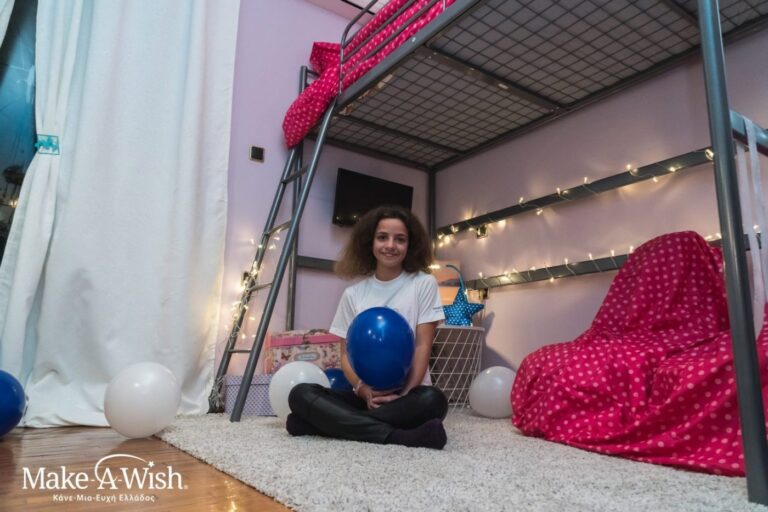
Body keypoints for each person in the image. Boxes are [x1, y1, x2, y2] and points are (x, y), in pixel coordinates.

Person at [286, 205, 448, 449]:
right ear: (369, 242)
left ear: (410, 245)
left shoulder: (424, 283)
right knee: (300, 393)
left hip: (409, 395)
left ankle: (325, 424)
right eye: (382, 237)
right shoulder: (353, 294)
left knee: (434, 400)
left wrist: (403, 395)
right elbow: (345, 354)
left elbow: (423, 345)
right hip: (365, 395)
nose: (390, 245)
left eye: (400, 239)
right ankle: (398, 437)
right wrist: (362, 390)